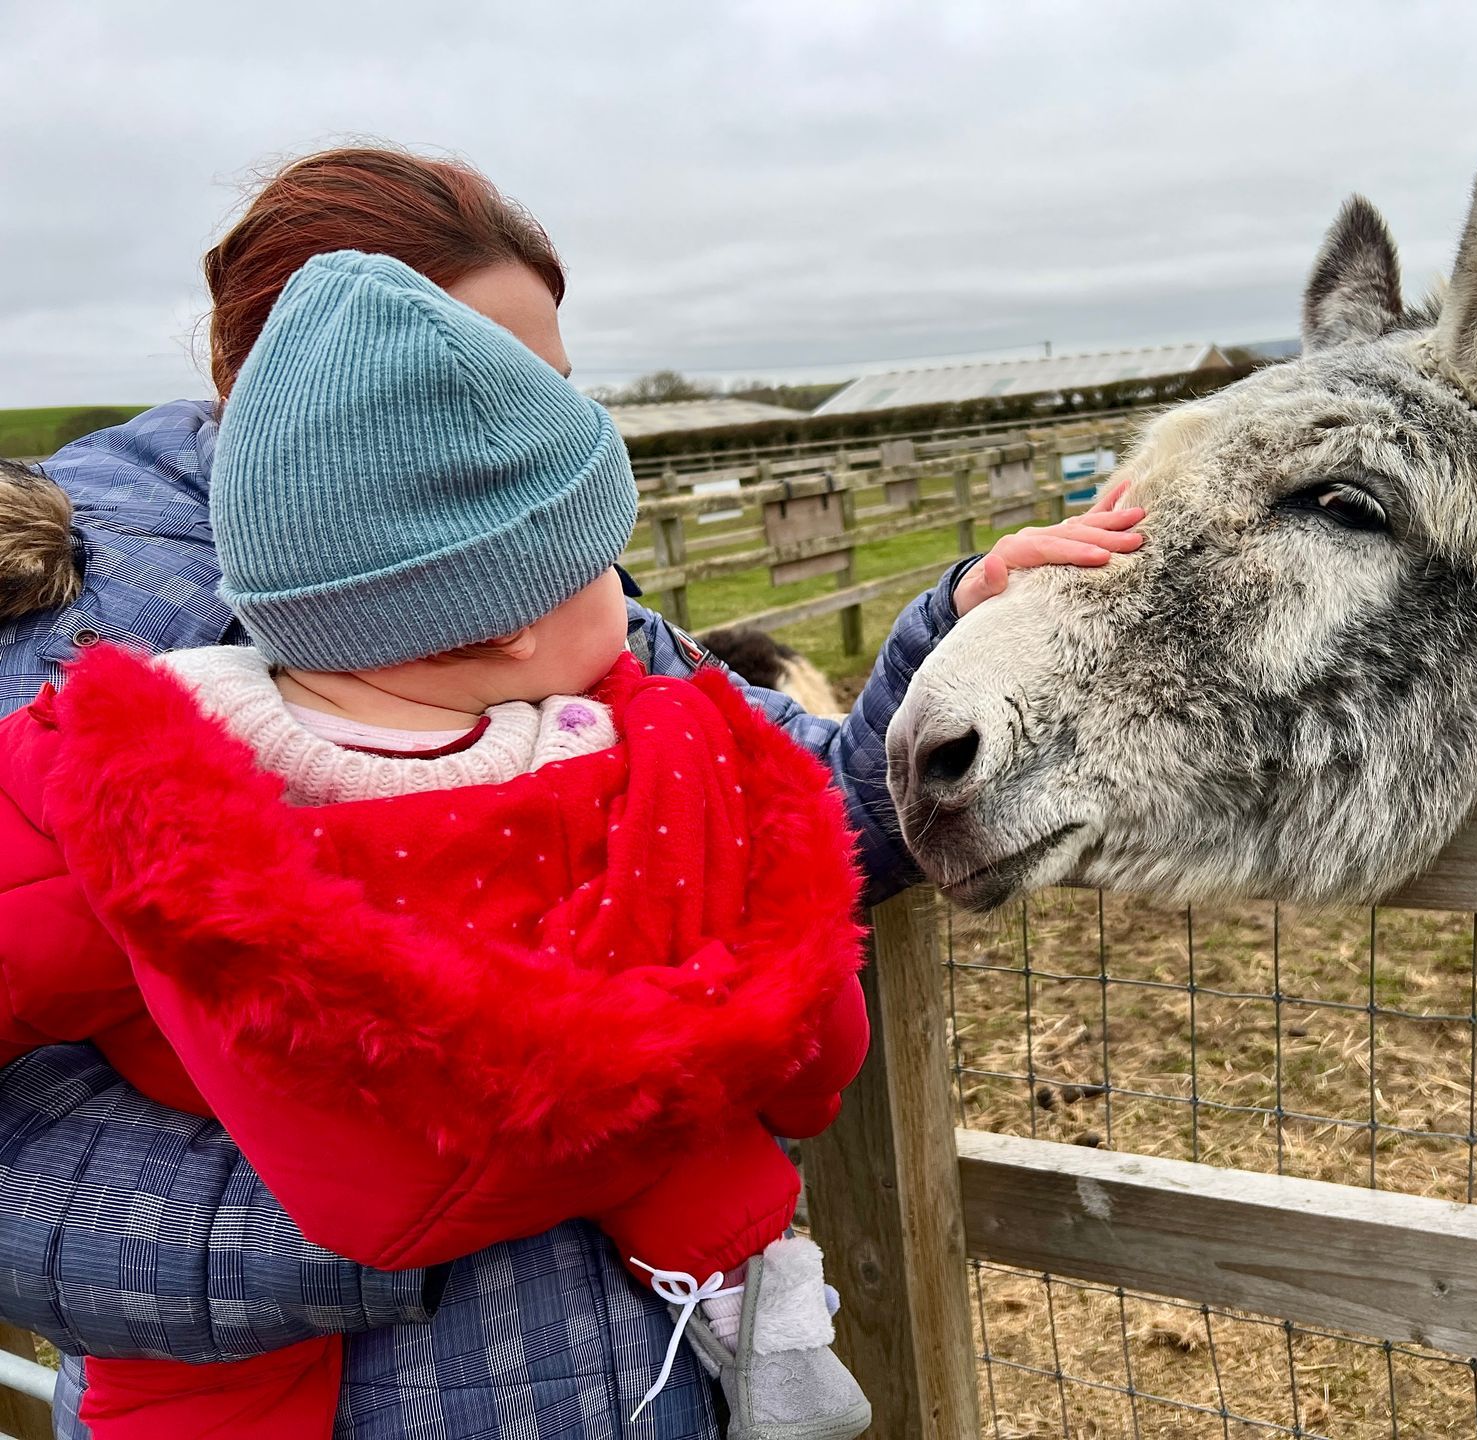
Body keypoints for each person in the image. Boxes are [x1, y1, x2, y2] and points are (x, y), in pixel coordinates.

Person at [0, 147, 1145, 1439]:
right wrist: (401, 1197)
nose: (524, 431)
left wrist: (962, 627)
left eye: (550, 389)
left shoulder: (534, 555)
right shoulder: (68, 633)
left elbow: (801, 807)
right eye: (489, 384)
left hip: (641, 1381)